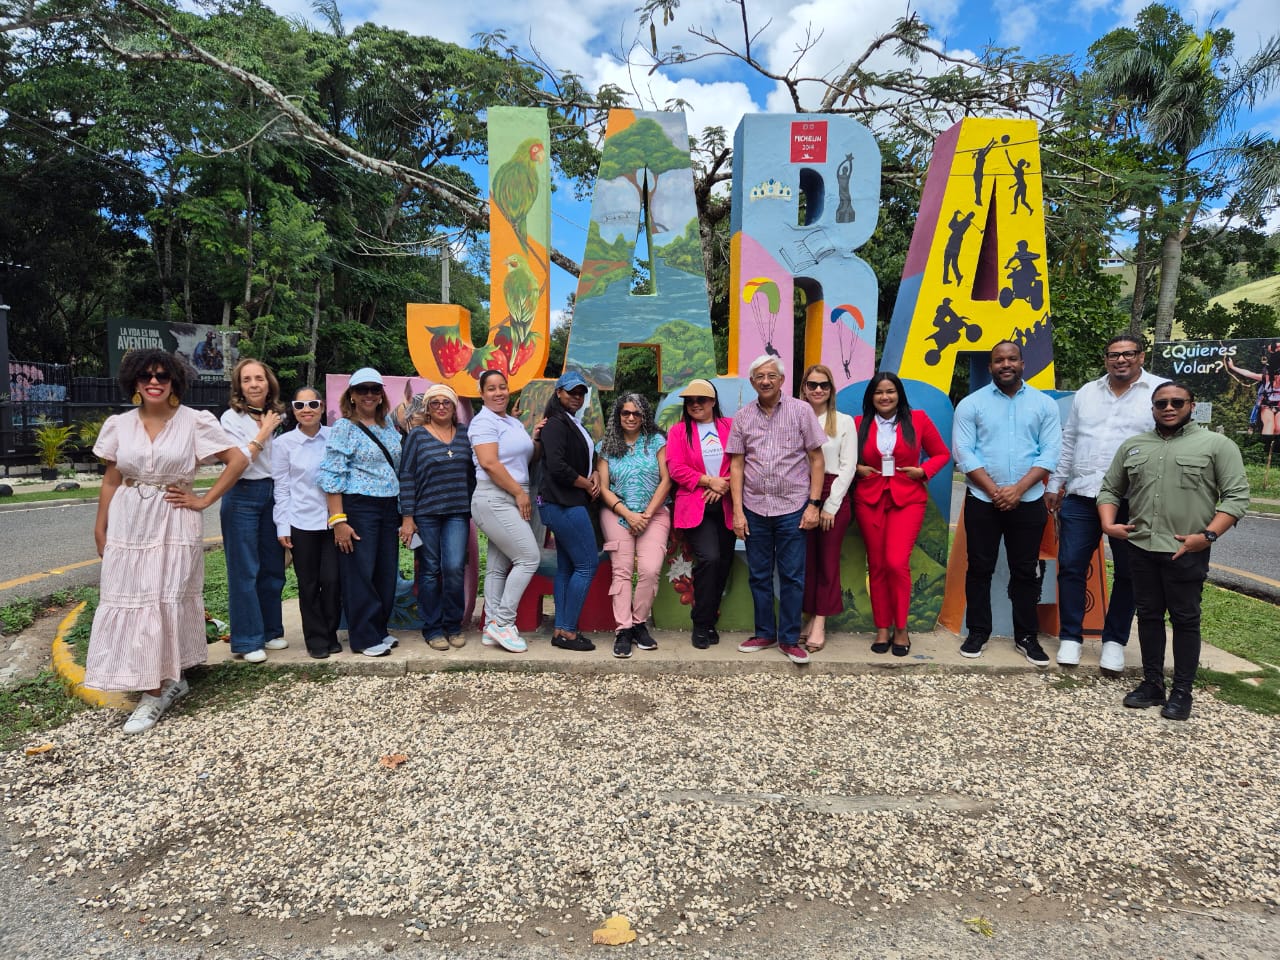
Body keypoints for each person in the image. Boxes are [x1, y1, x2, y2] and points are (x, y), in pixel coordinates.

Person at [87, 349, 248, 734]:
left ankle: (155, 692)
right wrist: (100, 525)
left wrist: (205, 498)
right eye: (145, 376)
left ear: (174, 380)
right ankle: (159, 682)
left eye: (162, 375)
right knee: (131, 596)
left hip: (175, 520)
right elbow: (111, 478)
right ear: (134, 383)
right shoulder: (118, 425)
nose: (154, 382)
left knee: (164, 597)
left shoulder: (195, 422)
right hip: (129, 520)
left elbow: (238, 460)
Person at [1098, 381, 1249, 721]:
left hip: (1186, 550)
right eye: (1161, 403)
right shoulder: (1134, 446)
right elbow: (1110, 488)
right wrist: (1109, 524)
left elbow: (1237, 497)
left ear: (1191, 405)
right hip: (1141, 546)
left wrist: (1207, 536)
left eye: (1176, 402)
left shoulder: (1216, 446)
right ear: (1153, 408)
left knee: (1184, 619)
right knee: (1148, 616)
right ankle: (1152, 684)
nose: (1168, 408)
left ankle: (1182, 691)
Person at [1046, 335, 1163, 673]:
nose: (1121, 360)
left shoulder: (1158, 393)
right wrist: (1056, 482)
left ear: (1141, 356)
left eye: (1128, 354)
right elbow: (1070, 440)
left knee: (1129, 572)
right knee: (1070, 565)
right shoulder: (1087, 392)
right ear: (1106, 358)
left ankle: (1114, 641)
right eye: (1114, 355)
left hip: (1133, 500)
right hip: (1083, 495)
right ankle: (1071, 636)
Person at [953, 340, 1061, 665]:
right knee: (980, 568)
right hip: (982, 500)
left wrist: (1018, 489)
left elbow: (1050, 451)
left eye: (1011, 358)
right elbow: (963, 452)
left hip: (1028, 500)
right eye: (998, 360)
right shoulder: (971, 405)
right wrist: (996, 489)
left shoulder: (1044, 405)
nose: (1005, 364)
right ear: (990, 367)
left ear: (1022, 363)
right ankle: (978, 631)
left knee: (1026, 570)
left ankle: (1026, 636)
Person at [729, 354, 827, 665]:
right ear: (753, 382)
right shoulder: (743, 417)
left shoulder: (801, 412)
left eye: (771, 375)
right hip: (755, 508)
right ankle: (764, 633)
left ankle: (788, 638)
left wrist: (813, 505)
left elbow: (817, 460)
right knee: (758, 575)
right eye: (760, 376)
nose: (766, 381)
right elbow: (736, 466)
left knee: (792, 577)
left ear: (782, 380)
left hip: (792, 509)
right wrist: (738, 512)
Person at [853, 373, 950, 656]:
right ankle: (882, 628)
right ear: (871, 397)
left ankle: (901, 628)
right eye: (879, 392)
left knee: (896, 563)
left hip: (907, 499)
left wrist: (924, 471)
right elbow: (846, 458)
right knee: (878, 564)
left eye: (890, 392)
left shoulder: (917, 420)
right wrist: (858, 469)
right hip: (870, 498)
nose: (885, 397)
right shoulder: (860, 425)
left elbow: (942, 454)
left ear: (899, 395)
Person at [317, 368, 402, 658]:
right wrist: (338, 519)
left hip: (389, 505)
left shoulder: (388, 425)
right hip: (359, 505)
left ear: (381, 395)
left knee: (385, 571)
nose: (369, 395)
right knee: (360, 573)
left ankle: (379, 629)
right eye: (362, 389)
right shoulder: (344, 428)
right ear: (351, 395)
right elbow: (332, 474)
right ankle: (363, 637)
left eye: (374, 389)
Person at [219, 358, 287, 663]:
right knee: (244, 569)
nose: (254, 384)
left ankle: (271, 631)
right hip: (243, 494)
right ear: (239, 386)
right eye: (247, 380)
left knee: (273, 567)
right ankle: (247, 640)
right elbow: (239, 461)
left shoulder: (278, 415)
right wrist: (263, 433)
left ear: (268, 382)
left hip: (274, 493)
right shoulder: (230, 419)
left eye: (259, 378)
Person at [596, 393, 672, 659]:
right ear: (618, 415)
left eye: (636, 414)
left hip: (654, 514)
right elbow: (604, 488)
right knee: (622, 571)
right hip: (618, 514)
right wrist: (628, 514)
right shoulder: (606, 445)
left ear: (644, 417)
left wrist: (647, 515)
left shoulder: (656, 442)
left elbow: (666, 480)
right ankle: (623, 629)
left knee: (650, 569)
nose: (630, 418)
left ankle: (639, 623)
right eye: (625, 413)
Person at [469, 369, 540, 653]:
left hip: (510, 494)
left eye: (502, 387)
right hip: (495, 496)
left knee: (499, 567)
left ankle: (491, 625)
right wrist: (519, 493)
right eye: (491, 388)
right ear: (482, 393)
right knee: (528, 557)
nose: (498, 393)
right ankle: (504, 622)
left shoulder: (511, 421)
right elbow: (490, 463)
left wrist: (534, 438)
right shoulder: (482, 422)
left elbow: (523, 457)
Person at [399, 383, 473, 651]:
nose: (441, 406)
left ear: (454, 408)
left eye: (446, 402)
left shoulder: (465, 434)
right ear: (427, 408)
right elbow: (406, 476)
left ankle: (453, 625)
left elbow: (475, 472)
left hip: (457, 512)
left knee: (453, 568)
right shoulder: (417, 436)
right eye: (435, 403)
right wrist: (407, 517)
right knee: (430, 571)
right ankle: (432, 628)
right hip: (425, 513)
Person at [665, 379, 735, 649]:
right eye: (690, 400)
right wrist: (709, 481)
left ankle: (710, 620)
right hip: (696, 505)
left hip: (728, 504)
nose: (695, 404)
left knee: (724, 563)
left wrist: (723, 484)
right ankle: (701, 622)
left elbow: (743, 459)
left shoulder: (730, 427)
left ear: (713, 402)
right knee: (710, 559)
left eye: (701, 399)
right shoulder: (679, 431)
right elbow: (676, 468)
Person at [273, 386, 342, 659]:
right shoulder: (283, 444)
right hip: (300, 522)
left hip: (332, 521)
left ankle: (331, 632)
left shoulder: (335, 437)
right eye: (300, 406)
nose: (307, 410)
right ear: (293, 410)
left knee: (333, 580)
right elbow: (281, 488)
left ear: (322, 407)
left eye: (312, 404)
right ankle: (315, 639)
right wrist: (282, 526)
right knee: (309, 583)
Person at [537, 370, 601, 652]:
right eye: (571, 392)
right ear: (558, 393)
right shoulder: (555, 425)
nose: (577, 397)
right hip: (563, 503)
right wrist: (587, 484)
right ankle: (569, 631)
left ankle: (562, 630)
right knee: (587, 565)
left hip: (567, 501)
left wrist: (596, 472)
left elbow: (588, 456)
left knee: (566, 567)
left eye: (581, 393)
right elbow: (557, 466)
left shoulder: (572, 422)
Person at [798, 363, 856, 654]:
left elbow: (848, 467)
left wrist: (829, 506)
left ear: (831, 389)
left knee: (827, 562)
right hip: (800, 495)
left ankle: (820, 621)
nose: (818, 390)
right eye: (812, 385)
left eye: (824, 385)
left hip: (834, 495)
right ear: (804, 388)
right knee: (805, 563)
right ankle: (808, 616)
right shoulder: (795, 418)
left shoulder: (844, 422)